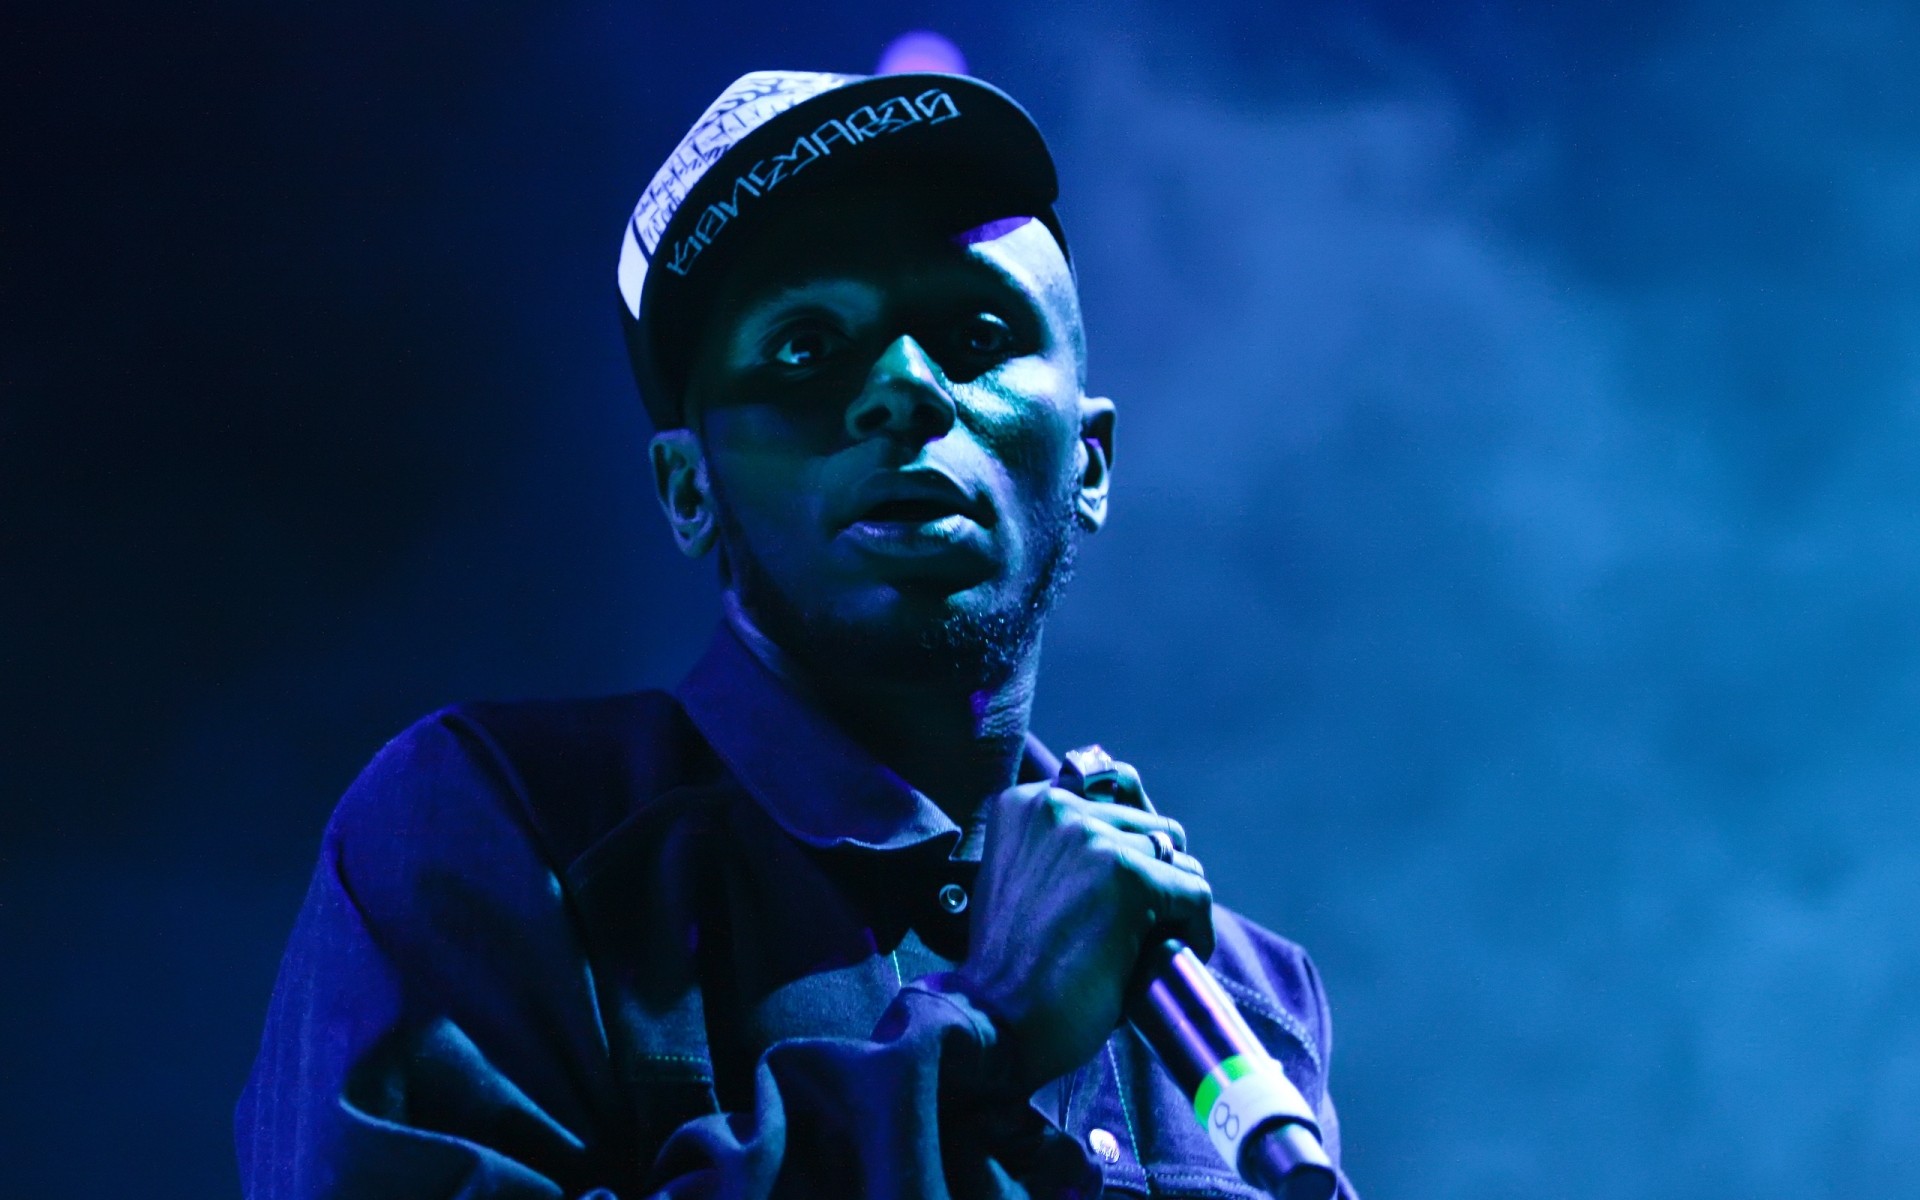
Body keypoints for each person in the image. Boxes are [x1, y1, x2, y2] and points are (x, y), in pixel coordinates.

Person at [237, 67, 1358, 1200]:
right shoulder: (494, 834)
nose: (906, 389)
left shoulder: (1247, 999)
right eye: (805, 346)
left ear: (1090, 463)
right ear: (690, 490)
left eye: (976, 332)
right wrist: (987, 1032)